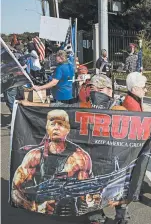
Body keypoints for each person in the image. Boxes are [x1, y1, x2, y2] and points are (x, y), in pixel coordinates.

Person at [20, 75, 128, 224]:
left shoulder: (120, 109)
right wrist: (30, 105)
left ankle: (121, 218)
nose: (96, 92)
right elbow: (59, 108)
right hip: (92, 159)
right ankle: (96, 217)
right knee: (90, 191)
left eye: (101, 89)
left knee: (118, 192)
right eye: (93, 88)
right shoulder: (83, 106)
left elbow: (141, 125)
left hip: (113, 159)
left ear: (110, 91)